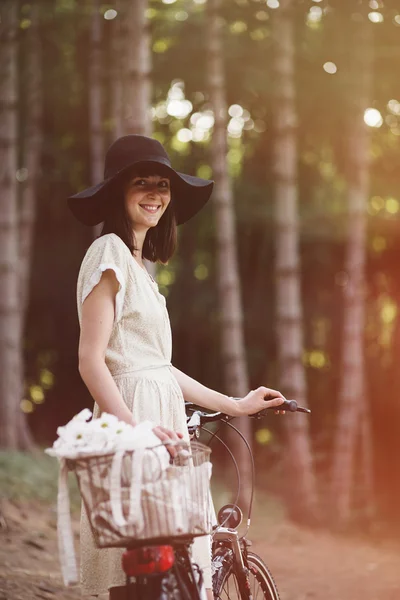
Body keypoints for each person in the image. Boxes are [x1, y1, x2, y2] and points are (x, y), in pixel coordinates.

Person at [68, 134, 285, 600]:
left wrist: (238, 404)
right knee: (142, 574)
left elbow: (159, 367)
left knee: (176, 572)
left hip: (158, 422)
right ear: (117, 193)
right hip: (133, 424)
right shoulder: (108, 251)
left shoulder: (139, 267)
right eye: (141, 183)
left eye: (162, 184)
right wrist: (136, 432)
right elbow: (92, 360)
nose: (155, 194)